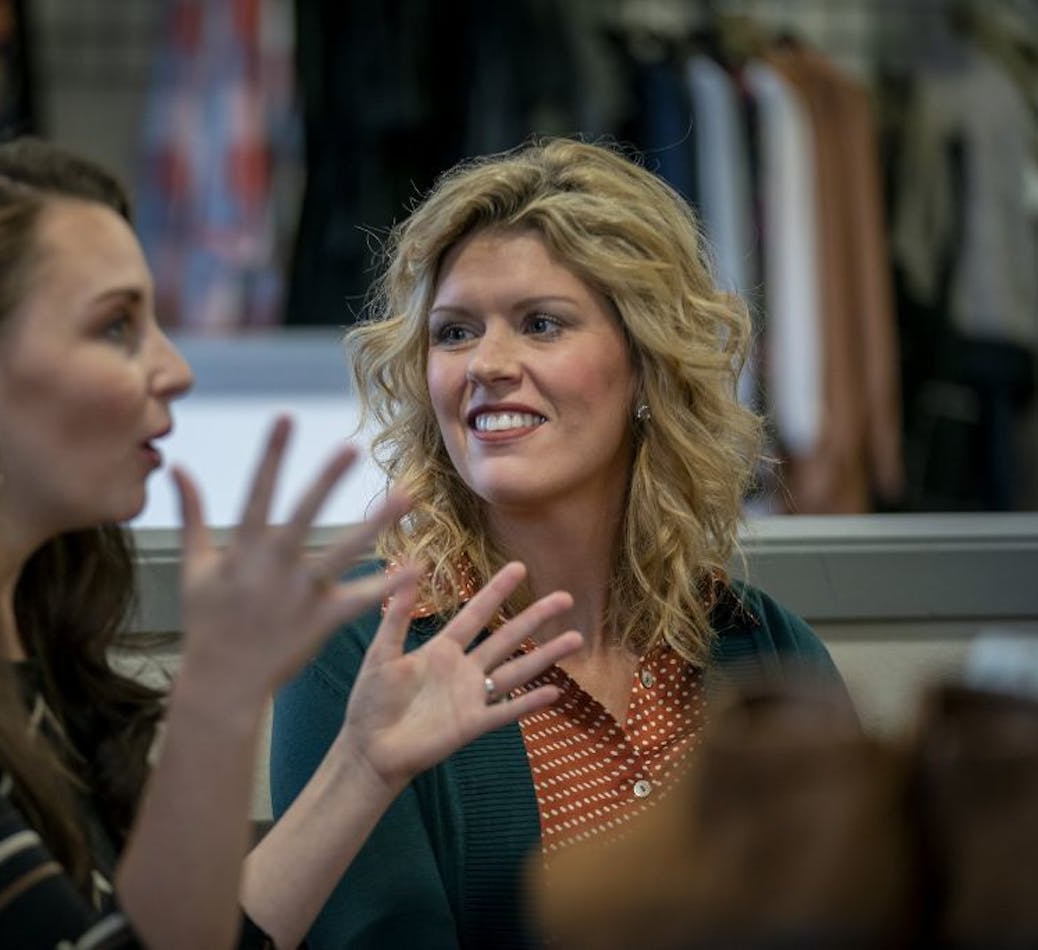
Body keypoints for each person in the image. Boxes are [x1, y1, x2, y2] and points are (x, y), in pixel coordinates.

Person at [0, 138, 586, 949]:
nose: (175, 368)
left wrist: (363, 765)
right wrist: (218, 702)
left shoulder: (6, 630)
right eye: (117, 327)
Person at [270, 138, 850, 949]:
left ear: (647, 365)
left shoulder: (766, 650)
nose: (487, 365)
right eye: (455, 332)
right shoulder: (364, 649)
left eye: (541, 325)